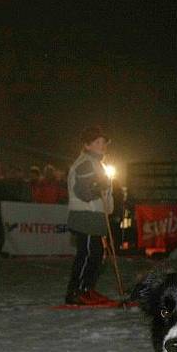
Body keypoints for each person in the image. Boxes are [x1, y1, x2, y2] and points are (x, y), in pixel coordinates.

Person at [64, 125, 115, 305]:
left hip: (95, 217)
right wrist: (97, 187)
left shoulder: (98, 164)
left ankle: (87, 288)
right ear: (87, 145)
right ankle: (76, 291)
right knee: (87, 254)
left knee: (97, 254)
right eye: (97, 142)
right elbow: (83, 191)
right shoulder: (85, 163)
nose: (102, 145)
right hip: (85, 216)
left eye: (103, 142)